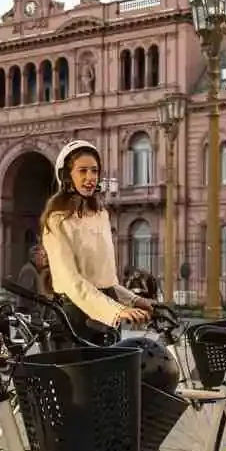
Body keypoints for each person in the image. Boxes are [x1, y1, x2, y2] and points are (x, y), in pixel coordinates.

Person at [41, 139, 152, 345]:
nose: (90, 177)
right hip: (75, 317)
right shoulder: (57, 220)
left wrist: (134, 300)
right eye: (82, 171)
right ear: (67, 176)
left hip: (107, 316)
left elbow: (104, 280)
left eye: (94, 171)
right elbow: (70, 281)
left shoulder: (101, 215)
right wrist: (118, 310)